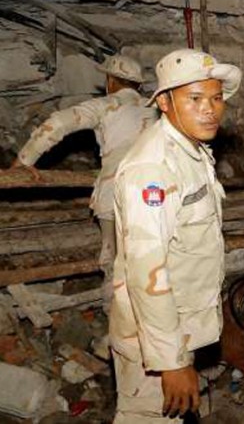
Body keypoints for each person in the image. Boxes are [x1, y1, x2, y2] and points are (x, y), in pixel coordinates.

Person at [109, 49, 241, 423]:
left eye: (216, 98)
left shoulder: (191, 152)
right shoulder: (153, 168)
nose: (210, 109)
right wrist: (171, 362)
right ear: (164, 102)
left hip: (176, 328)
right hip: (151, 343)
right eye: (195, 99)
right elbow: (145, 269)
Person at [16, 54, 157, 301]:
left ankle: (116, 320)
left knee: (113, 258)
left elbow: (58, 122)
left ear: (111, 80)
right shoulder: (155, 109)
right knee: (151, 256)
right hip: (154, 190)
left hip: (116, 186)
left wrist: (24, 160)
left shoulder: (106, 105)